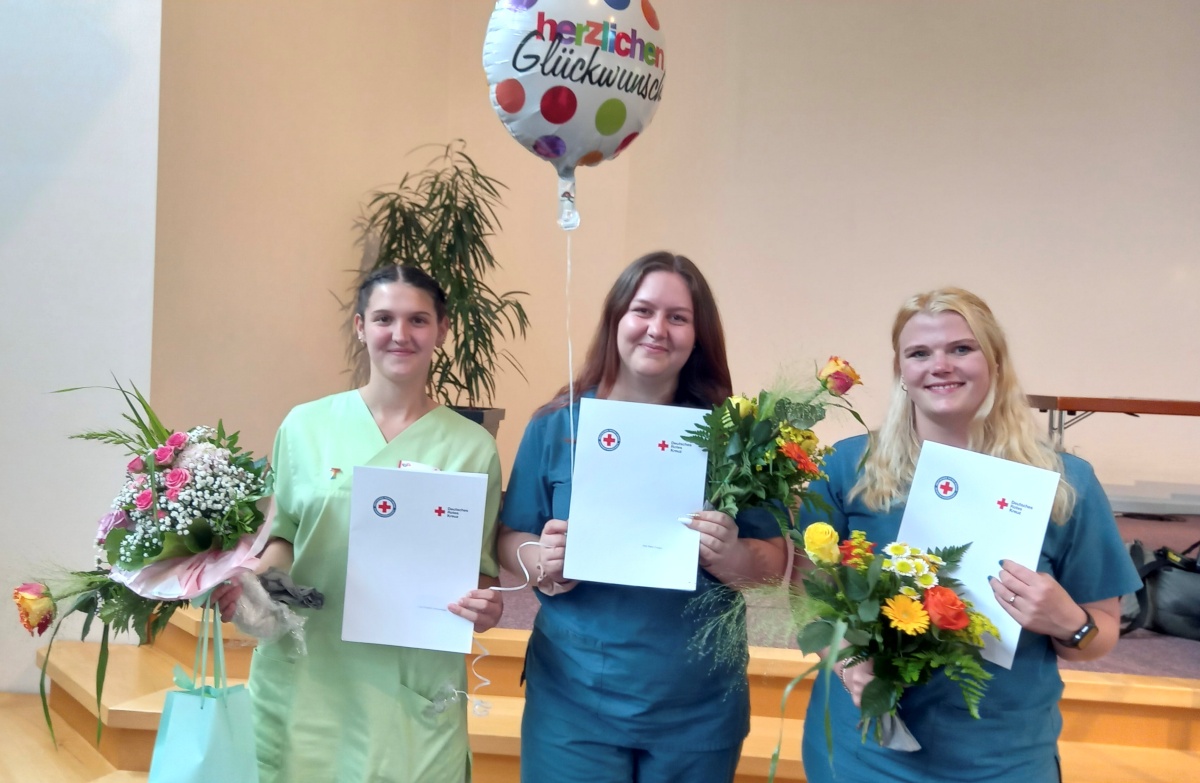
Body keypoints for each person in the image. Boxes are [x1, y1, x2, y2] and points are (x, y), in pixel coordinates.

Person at [799, 287, 1141, 783]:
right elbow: (811, 595)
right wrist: (848, 658)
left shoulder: (1064, 484)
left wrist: (1068, 620)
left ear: (996, 362)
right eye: (919, 353)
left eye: (961, 348)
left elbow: (1098, 633)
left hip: (1000, 757)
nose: (940, 365)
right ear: (901, 373)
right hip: (865, 751)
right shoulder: (850, 468)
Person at [498, 251, 789, 783]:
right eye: (643, 311)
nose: (658, 329)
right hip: (573, 697)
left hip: (698, 703)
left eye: (678, 317)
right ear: (616, 320)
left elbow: (774, 565)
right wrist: (539, 558)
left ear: (698, 335)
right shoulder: (557, 425)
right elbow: (508, 538)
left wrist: (733, 555)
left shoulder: (735, 437)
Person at [213, 264, 504, 783]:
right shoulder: (305, 426)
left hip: (410, 679)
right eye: (384, 318)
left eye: (418, 320)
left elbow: (478, 570)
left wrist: (485, 604)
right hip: (311, 666)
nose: (400, 334)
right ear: (360, 327)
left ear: (441, 329)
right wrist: (252, 584)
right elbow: (282, 534)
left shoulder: (472, 447)